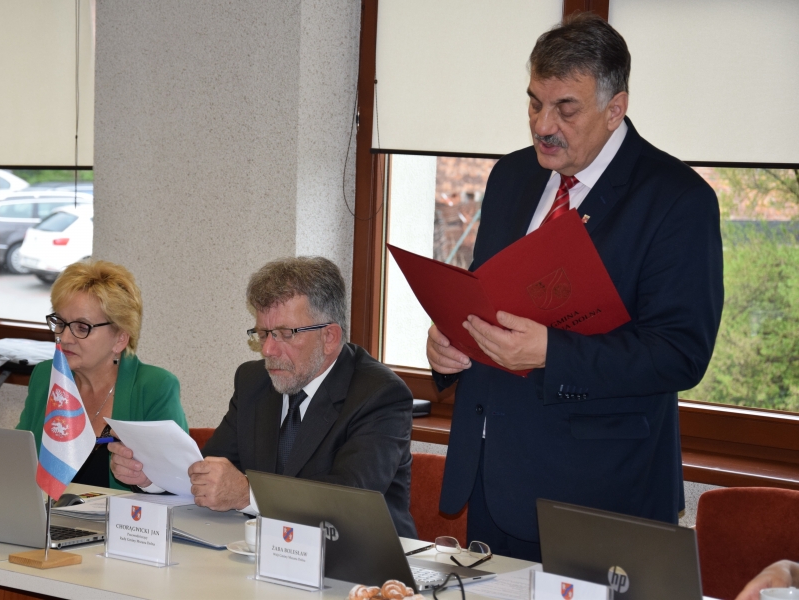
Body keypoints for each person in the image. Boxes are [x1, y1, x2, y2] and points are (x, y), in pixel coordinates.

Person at [427, 13, 724, 561]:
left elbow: (681, 353)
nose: (543, 124)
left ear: (615, 108)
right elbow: (491, 297)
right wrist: (451, 343)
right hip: (493, 479)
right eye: (534, 103)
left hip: (601, 494)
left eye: (565, 109)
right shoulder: (511, 176)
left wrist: (551, 352)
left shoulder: (677, 199)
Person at [110, 256, 417, 537]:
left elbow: (350, 500)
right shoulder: (254, 381)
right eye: (262, 334)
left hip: (363, 560)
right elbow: (211, 471)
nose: (268, 350)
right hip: (269, 554)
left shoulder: (378, 395)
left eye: (284, 334)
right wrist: (151, 477)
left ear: (329, 337)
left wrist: (248, 494)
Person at [17, 260, 188, 490]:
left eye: (82, 327)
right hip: (47, 513)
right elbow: (18, 458)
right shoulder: (45, 376)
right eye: (60, 323)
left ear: (120, 339)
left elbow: (179, 483)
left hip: (124, 514)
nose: (64, 338)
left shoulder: (155, 388)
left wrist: (149, 480)